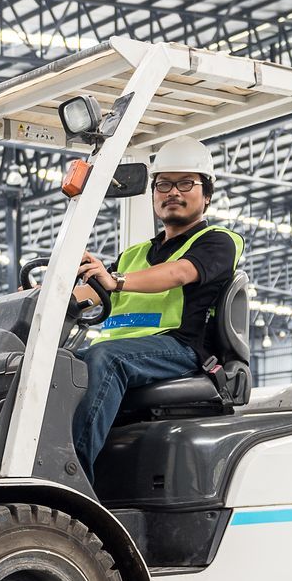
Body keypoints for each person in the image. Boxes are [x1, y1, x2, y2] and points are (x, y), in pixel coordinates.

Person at [70, 136, 243, 475]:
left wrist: (115, 280)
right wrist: (36, 298)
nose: (172, 193)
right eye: (163, 185)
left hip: (179, 348)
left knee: (106, 357)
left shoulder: (218, 241)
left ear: (206, 196)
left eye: (185, 183)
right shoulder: (133, 254)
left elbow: (179, 273)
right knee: (55, 364)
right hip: (128, 351)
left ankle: (73, 476)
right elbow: (88, 294)